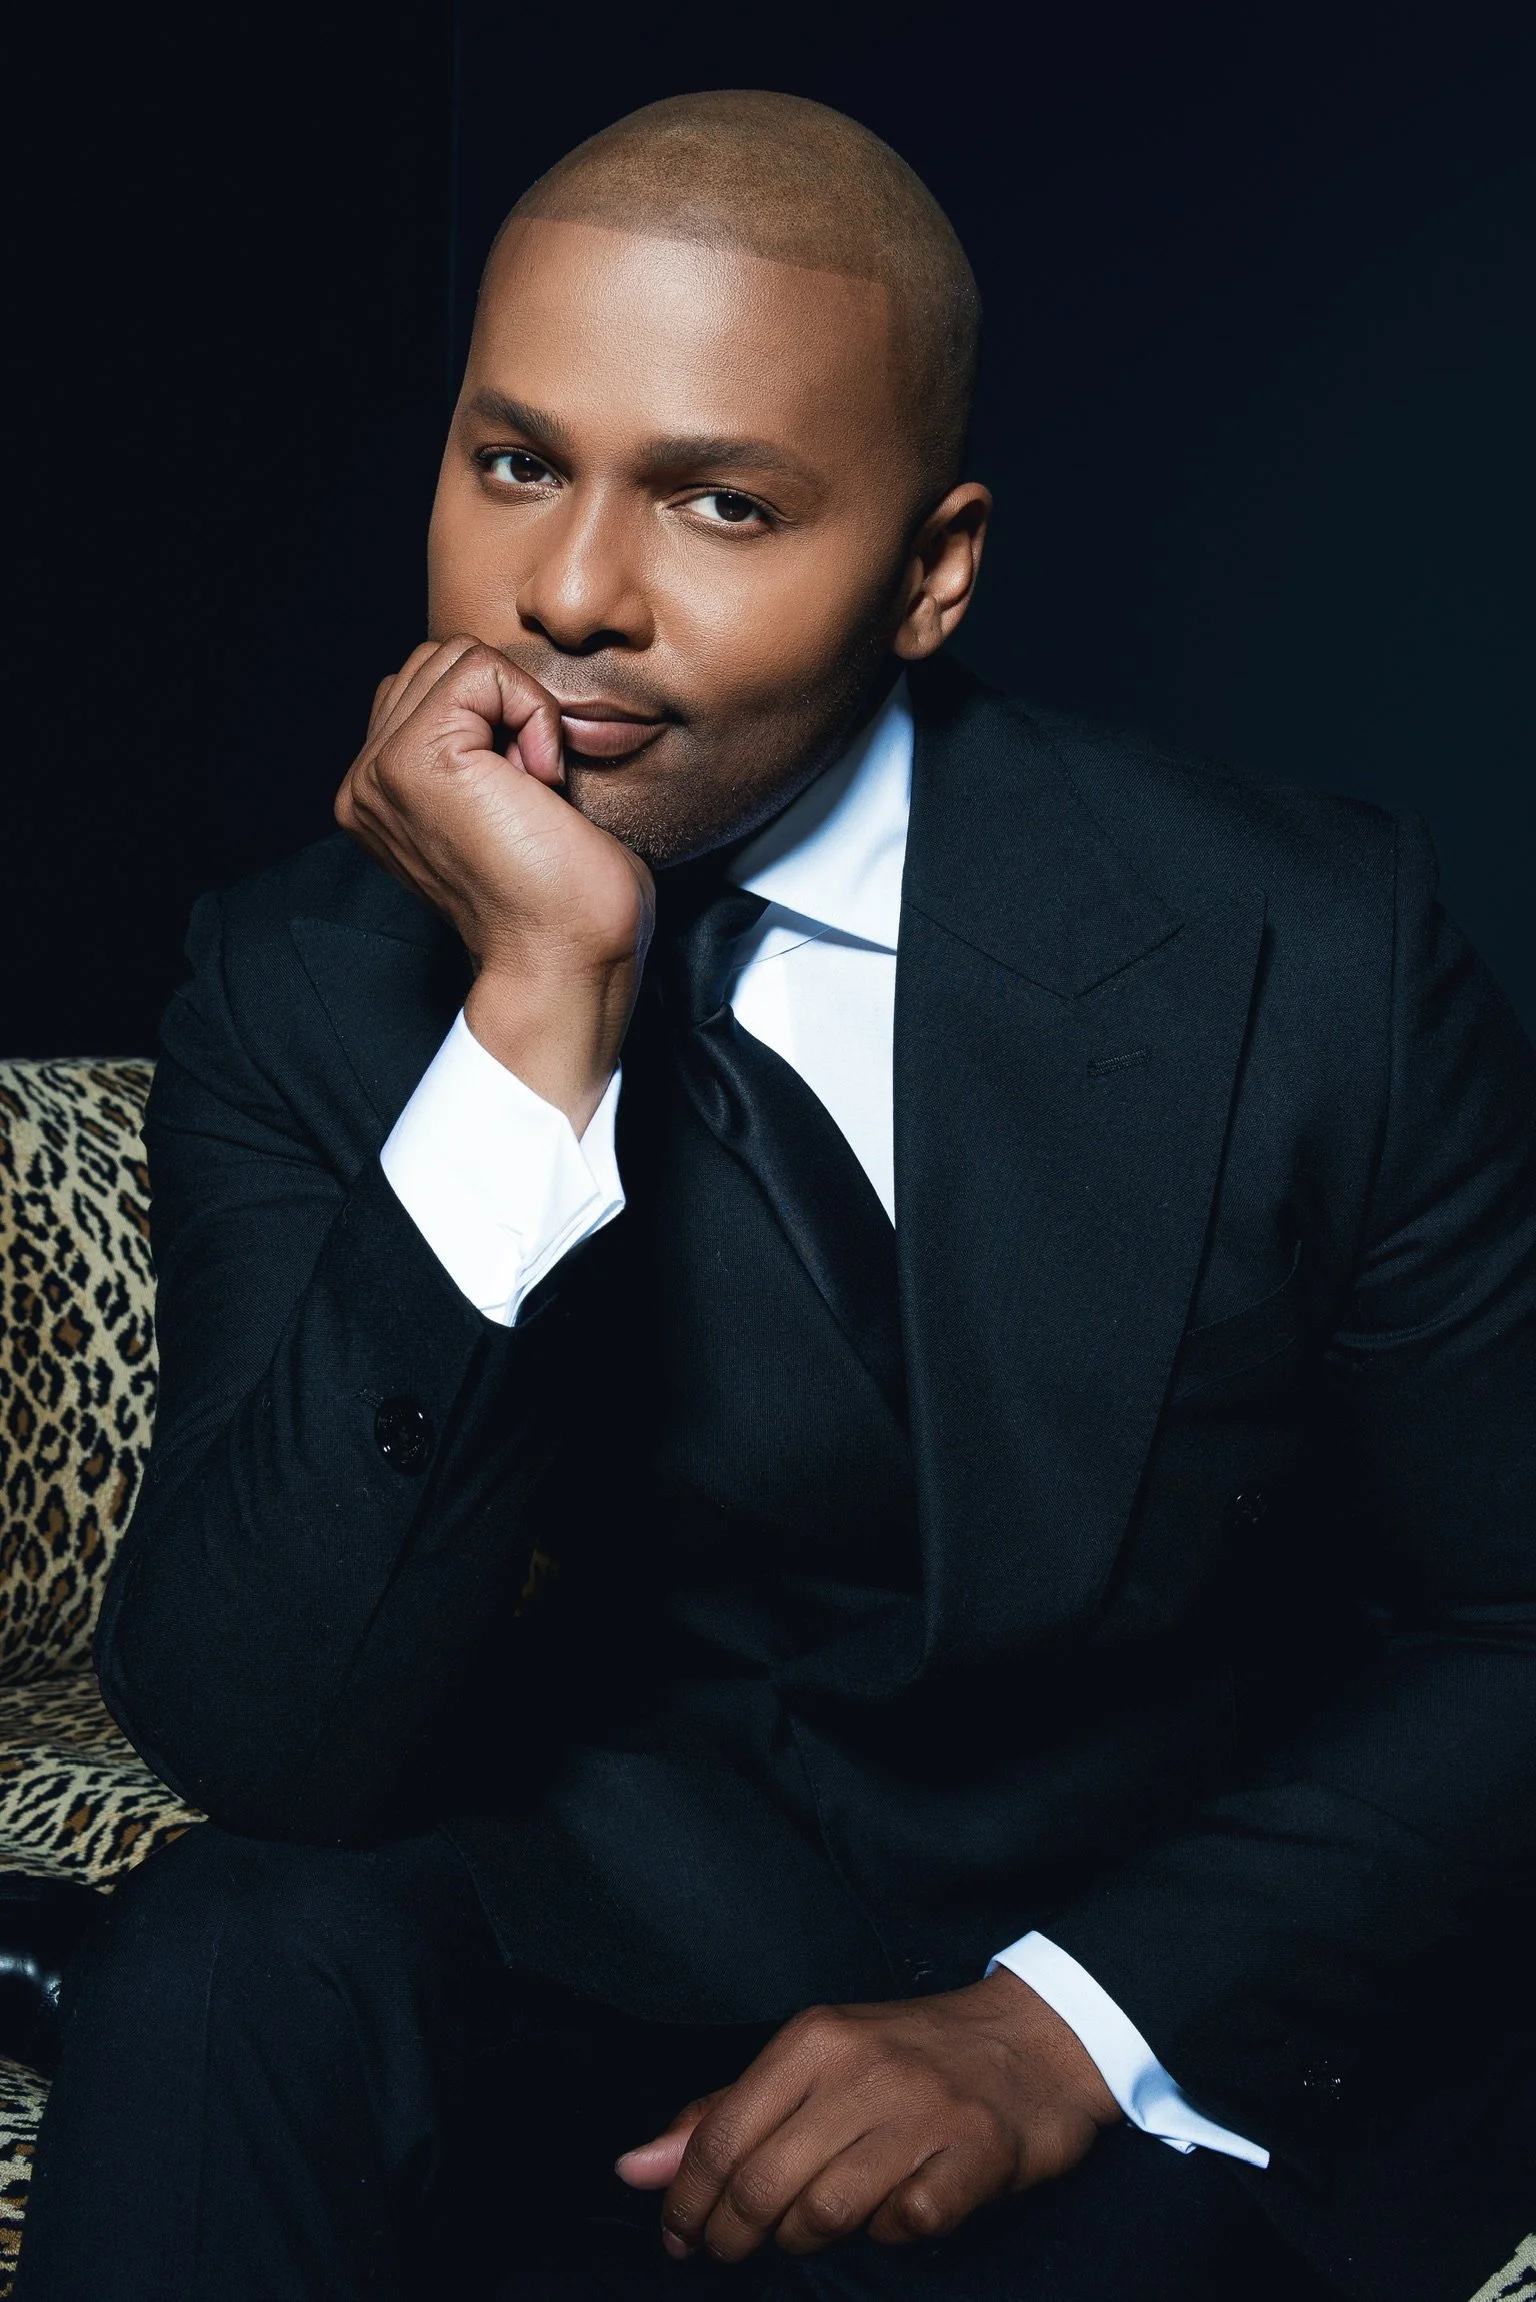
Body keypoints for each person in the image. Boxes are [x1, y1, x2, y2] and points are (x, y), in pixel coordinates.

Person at [17, 89, 1536, 2302]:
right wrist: (537, 1001)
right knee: (231, 1954)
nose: (566, 592)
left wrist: (1053, 2026)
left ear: (932, 569)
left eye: (719, 502)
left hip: (1143, 1973)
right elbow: (267, 1730)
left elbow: (1514, 1618)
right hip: (626, 1922)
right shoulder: (306, 968)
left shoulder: (1301, 943)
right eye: (515, 461)